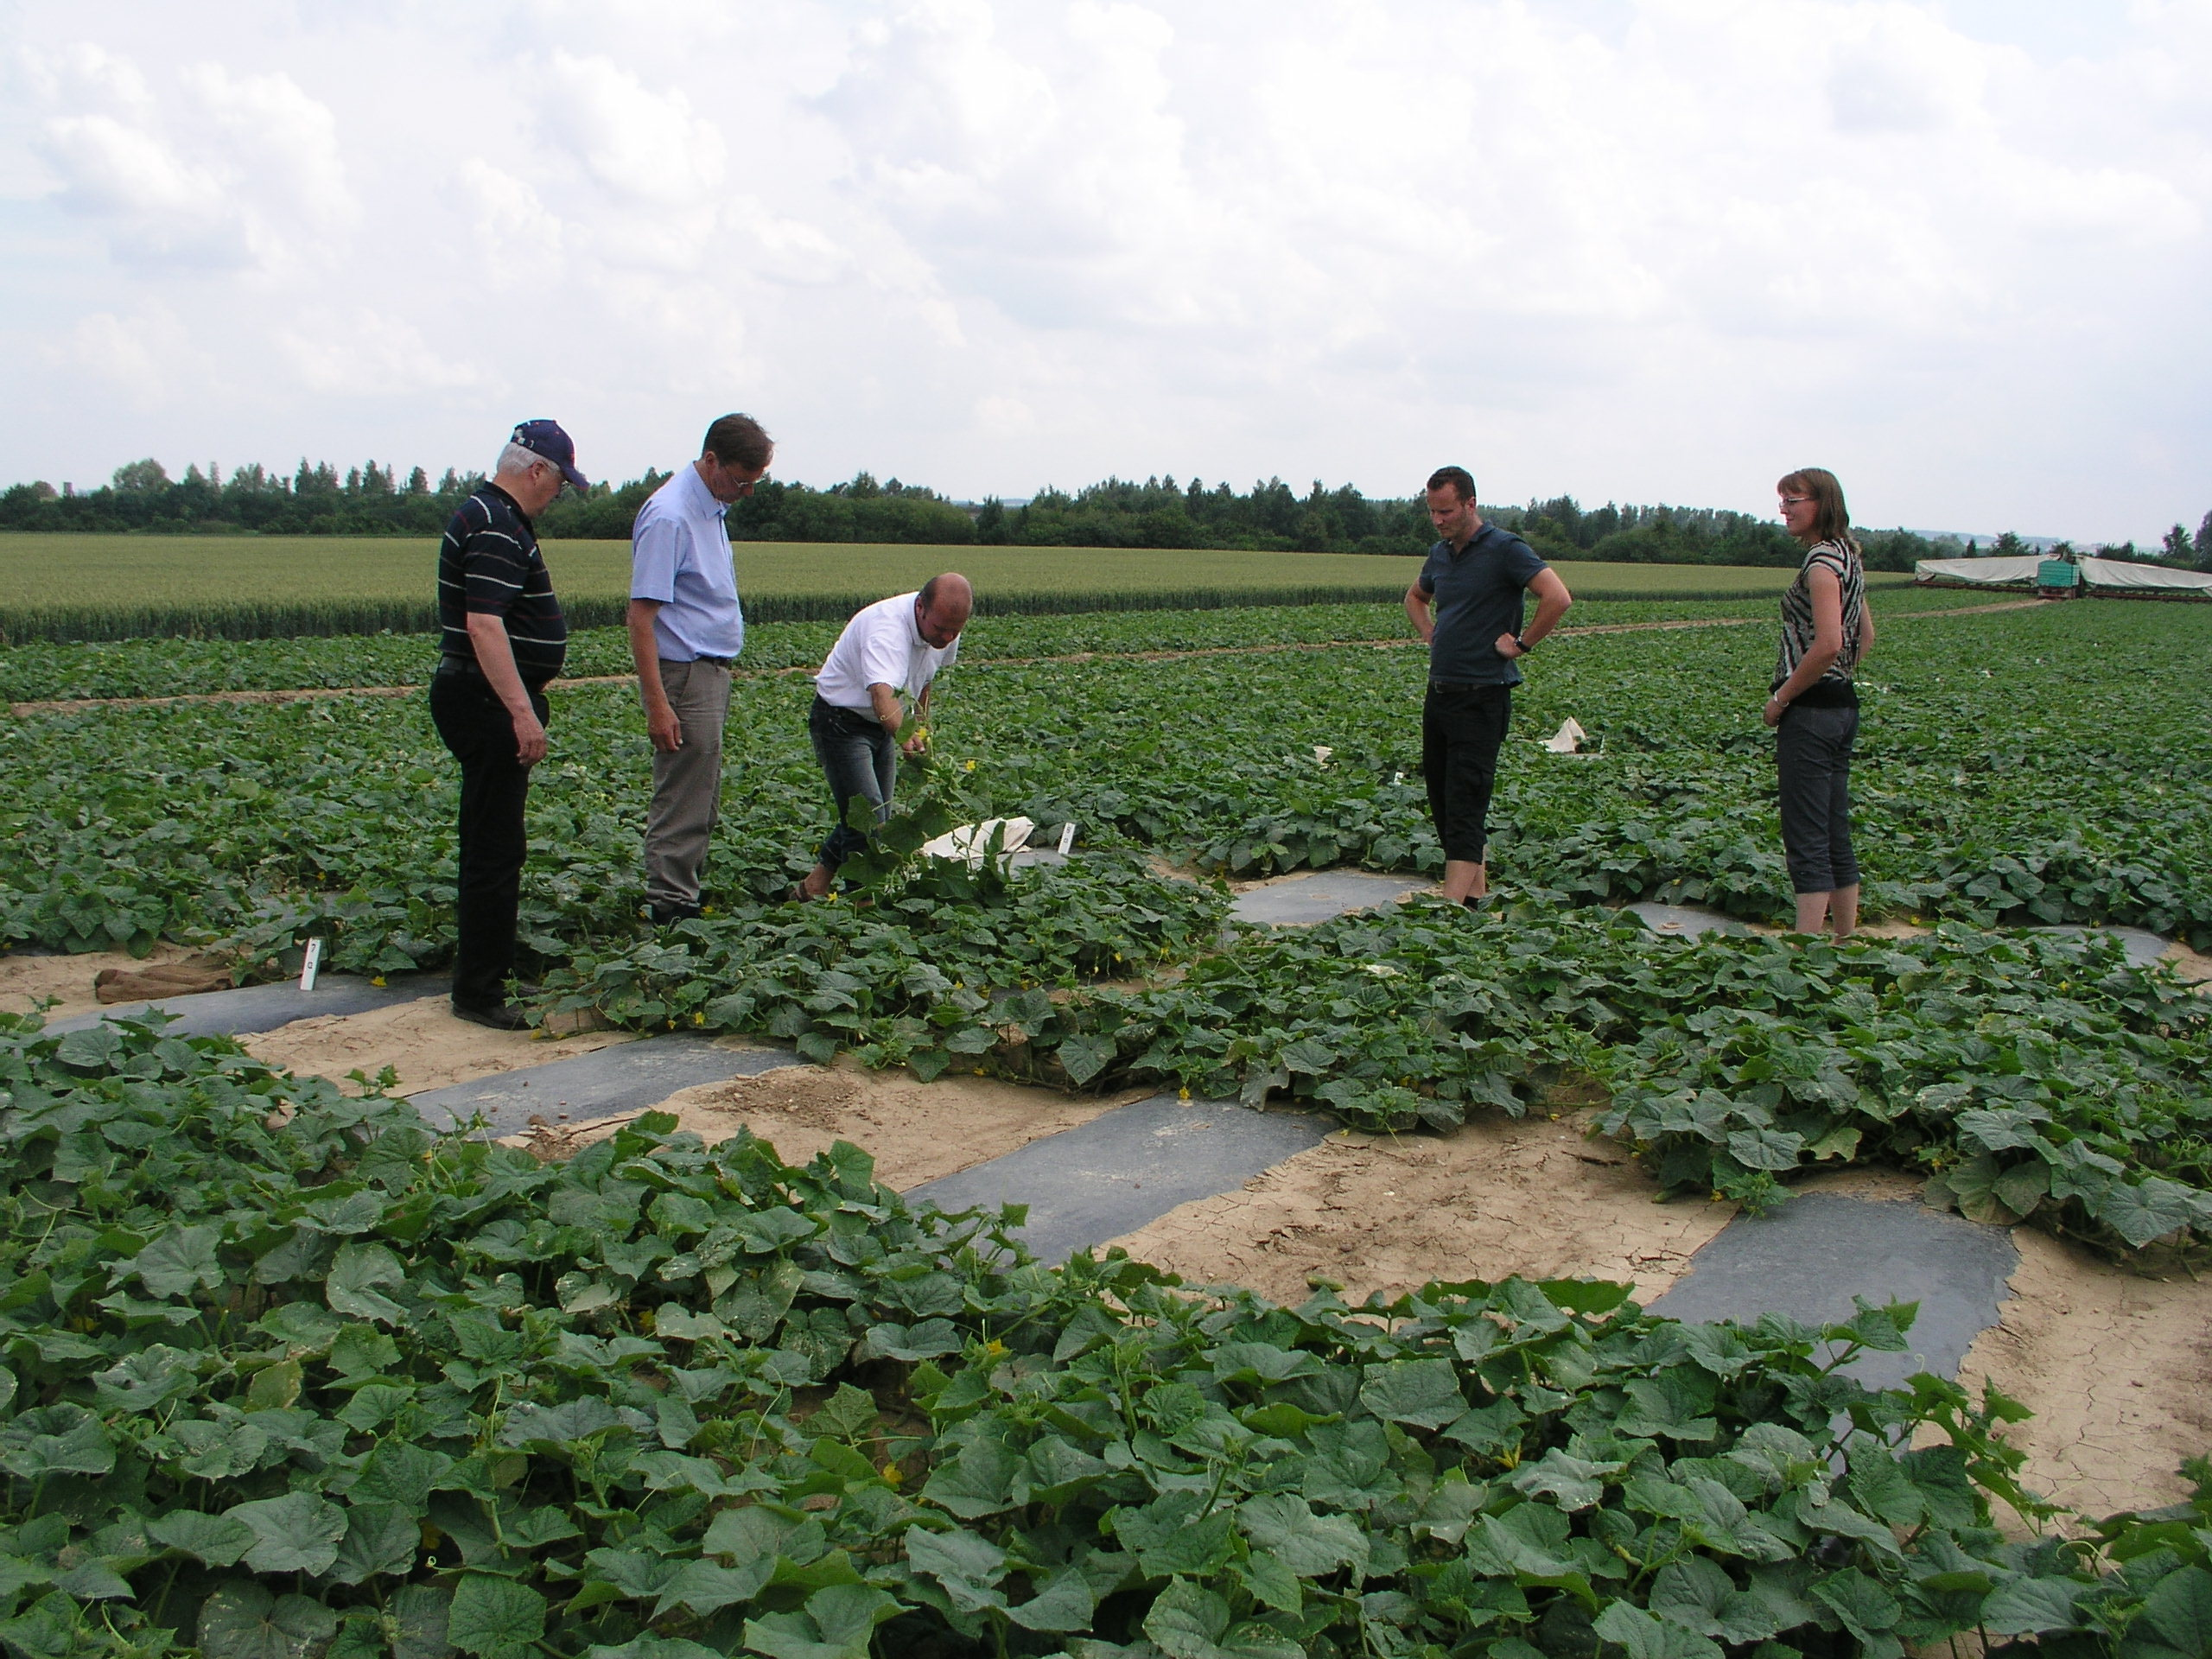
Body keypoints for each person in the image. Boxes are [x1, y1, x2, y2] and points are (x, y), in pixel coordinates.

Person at [429, 420, 584, 1029]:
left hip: (480, 695)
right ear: (536, 470)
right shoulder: (495, 524)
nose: (559, 495)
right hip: (486, 700)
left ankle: (486, 970)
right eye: (560, 482)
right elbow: (484, 625)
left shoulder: (487, 514)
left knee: (493, 841)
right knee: (496, 848)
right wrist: (522, 711)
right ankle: (480, 991)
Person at [1403, 466, 1573, 906]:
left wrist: (1521, 643)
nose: (1438, 520)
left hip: (1483, 695)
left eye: (1446, 511)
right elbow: (1415, 597)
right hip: (1440, 692)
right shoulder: (1440, 555)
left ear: (1470, 504)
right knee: (1443, 800)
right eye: (1432, 512)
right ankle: (1475, 900)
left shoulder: (1506, 550)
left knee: (1467, 800)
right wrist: (1430, 633)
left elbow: (1557, 596)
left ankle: (1449, 912)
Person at [627, 413, 774, 925]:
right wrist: (658, 704)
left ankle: (681, 891)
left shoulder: (709, 506)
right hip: (684, 673)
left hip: (708, 671)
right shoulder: (671, 515)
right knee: (684, 790)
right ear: (710, 460)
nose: (746, 492)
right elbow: (641, 618)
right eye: (740, 480)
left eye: (755, 483)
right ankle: (670, 904)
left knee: (701, 789)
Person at [796, 575, 973, 900]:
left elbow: (925, 680)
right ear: (920, 607)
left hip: (884, 723)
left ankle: (812, 887)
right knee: (870, 819)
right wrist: (907, 738)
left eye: (955, 630)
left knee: (874, 816)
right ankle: (861, 904)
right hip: (841, 721)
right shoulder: (886, 629)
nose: (947, 638)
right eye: (940, 629)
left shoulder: (945, 628)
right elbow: (881, 695)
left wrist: (922, 727)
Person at [1764, 467, 1874, 938]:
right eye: (1782, 500)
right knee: (1833, 825)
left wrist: (1783, 696)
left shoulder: (1821, 562)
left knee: (1805, 831)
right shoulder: (1849, 555)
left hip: (1810, 712)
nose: (1785, 509)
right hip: (1843, 707)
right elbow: (1864, 636)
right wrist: (1839, 678)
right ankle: (1846, 938)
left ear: (1822, 504)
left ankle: (1805, 946)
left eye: (1794, 500)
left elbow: (1828, 642)